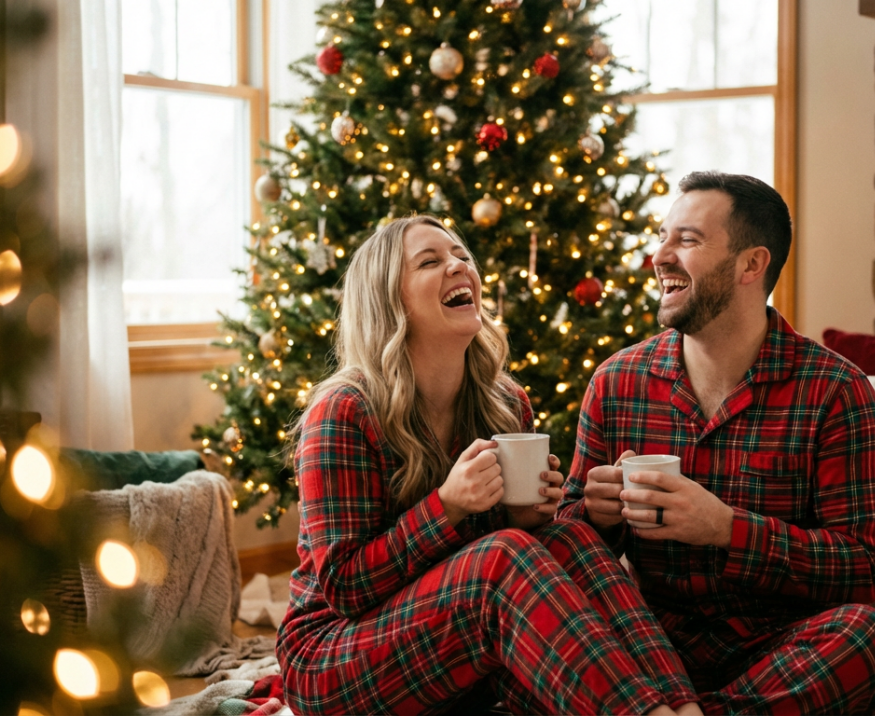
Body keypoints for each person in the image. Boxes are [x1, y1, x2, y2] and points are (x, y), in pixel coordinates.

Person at [277, 215, 703, 716]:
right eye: (431, 262)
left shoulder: (504, 403)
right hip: (335, 656)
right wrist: (447, 507)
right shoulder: (345, 411)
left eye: (461, 256)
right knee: (500, 557)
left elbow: (511, 557)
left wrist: (530, 515)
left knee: (571, 537)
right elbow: (346, 589)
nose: (459, 266)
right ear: (390, 302)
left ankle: (682, 709)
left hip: (456, 649)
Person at [559, 172, 875, 715]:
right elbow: (569, 554)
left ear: (751, 264)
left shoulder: (836, 392)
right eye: (664, 236)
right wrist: (596, 515)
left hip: (770, 649)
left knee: (866, 638)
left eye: (688, 240)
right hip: (644, 645)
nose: (661, 255)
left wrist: (725, 529)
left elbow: (866, 567)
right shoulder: (617, 381)